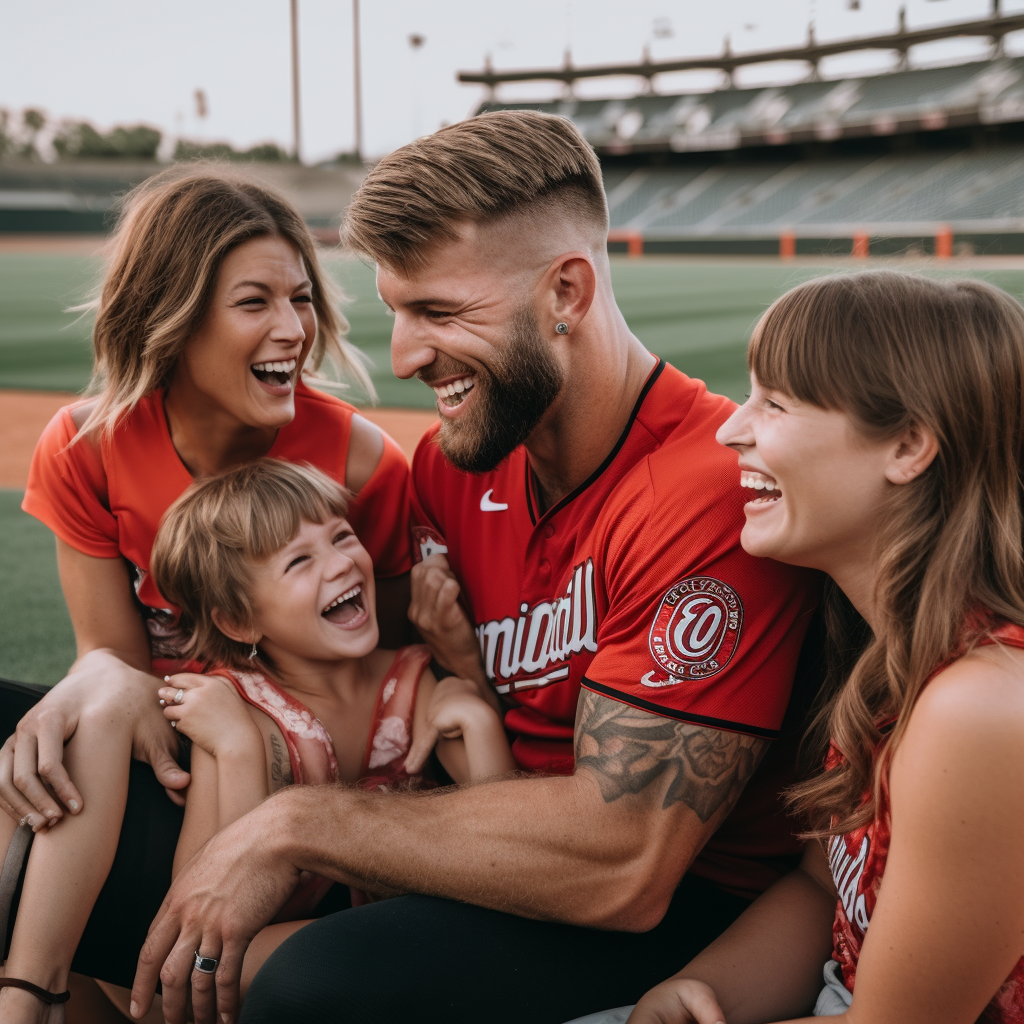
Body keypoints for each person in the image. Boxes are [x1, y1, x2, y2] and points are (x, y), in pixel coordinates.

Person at [129, 111, 821, 1024]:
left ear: (565, 293)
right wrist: (107, 685)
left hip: (660, 899)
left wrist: (295, 825)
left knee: (301, 987)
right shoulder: (459, 465)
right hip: (455, 823)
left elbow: (624, 859)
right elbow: (345, 667)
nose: (405, 355)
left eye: (440, 312)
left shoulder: (704, 488)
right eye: (395, 313)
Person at [0, 169, 414, 1000]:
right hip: (160, 755)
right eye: (255, 302)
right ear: (173, 314)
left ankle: (34, 989)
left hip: (294, 787)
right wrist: (69, 712)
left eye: (300, 298)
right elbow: (109, 658)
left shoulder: (362, 463)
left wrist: (231, 736)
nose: (295, 328)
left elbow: (383, 675)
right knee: (40, 731)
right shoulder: (86, 444)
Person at [624, 271, 1024, 1024]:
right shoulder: (886, 646)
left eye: (774, 403)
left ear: (908, 445)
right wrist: (700, 990)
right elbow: (824, 886)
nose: (730, 429)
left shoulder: (982, 705)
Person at [0, 458, 511, 1021]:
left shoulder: (416, 682)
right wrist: (240, 748)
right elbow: (193, 912)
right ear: (240, 622)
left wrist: (479, 716)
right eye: (300, 561)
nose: (341, 563)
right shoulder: (233, 708)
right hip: (214, 962)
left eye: (342, 536)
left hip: (366, 941)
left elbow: (505, 854)